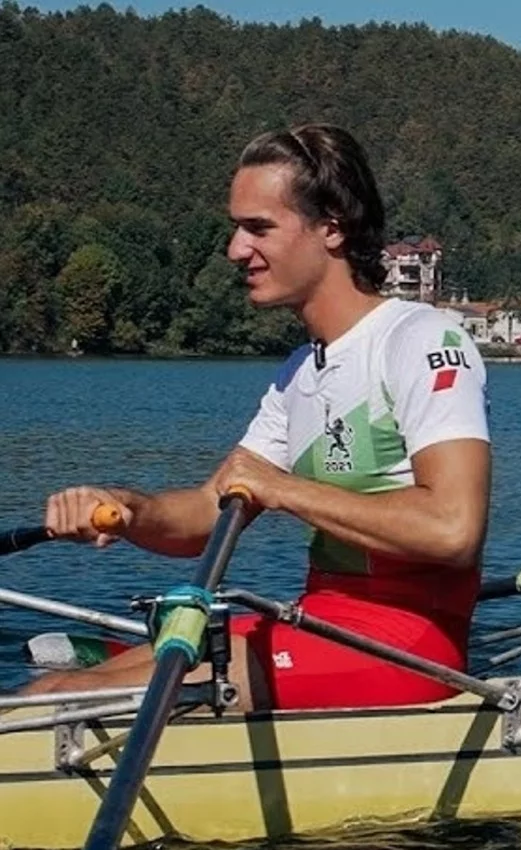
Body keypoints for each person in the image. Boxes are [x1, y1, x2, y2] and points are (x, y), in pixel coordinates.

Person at [25, 123, 491, 711]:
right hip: (321, 621)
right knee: (43, 691)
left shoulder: (421, 340)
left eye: (259, 228)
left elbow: (453, 528)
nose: (235, 250)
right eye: (236, 227)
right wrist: (124, 508)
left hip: (407, 646)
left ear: (332, 226)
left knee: (65, 700)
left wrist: (285, 489)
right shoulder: (300, 371)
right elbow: (204, 515)